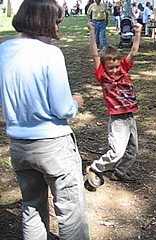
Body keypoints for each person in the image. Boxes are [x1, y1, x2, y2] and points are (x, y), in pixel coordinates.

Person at [0, 0, 89, 239]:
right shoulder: (51, 54)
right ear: (44, 22)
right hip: (53, 145)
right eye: (56, 23)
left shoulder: (3, 50)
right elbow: (62, 108)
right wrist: (75, 103)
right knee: (71, 211)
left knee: (31, 206)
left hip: (18, 144)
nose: (57, 29)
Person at [85, 21, 142, 187]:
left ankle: (120, 173)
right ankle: (95, 168)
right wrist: (92, 31)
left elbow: (134, 52)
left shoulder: (123, 67)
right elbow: (95, 54)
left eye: (117, 66)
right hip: (117, 120)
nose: (115, 70)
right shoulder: (102, 75)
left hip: (130, 118)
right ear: (104, 67)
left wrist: (137, 33)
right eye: (111, 67)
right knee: (117, 152)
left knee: (132, 151)